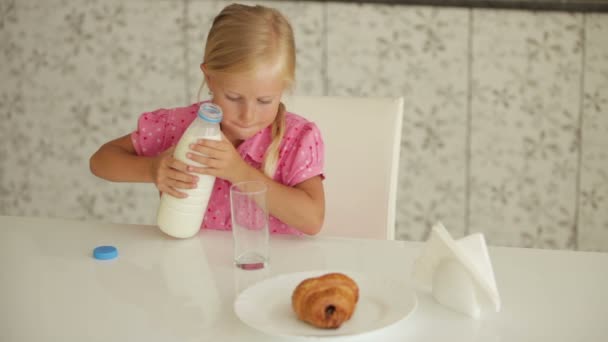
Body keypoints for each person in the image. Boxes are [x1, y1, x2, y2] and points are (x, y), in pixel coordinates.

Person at [89, 4, 325, 235]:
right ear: (210, 78)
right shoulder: (179, 126)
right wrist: (151, 169)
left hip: (271, 268)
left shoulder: (296, 139)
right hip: (193, 265)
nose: (247, 115)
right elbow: (101, 161)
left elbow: (312, 220)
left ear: (283, 88)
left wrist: (239, 172)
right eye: (233, 97)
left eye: (264, 101)